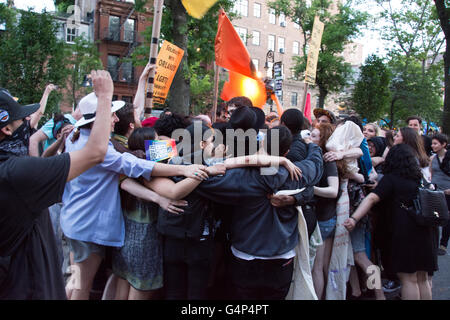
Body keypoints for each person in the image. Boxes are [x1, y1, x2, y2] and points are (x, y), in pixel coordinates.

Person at [61, 92, 208, 300]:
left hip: (73, 222)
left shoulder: (77, 136)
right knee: (82, 287)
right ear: (98, 120)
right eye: (111, 115)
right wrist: (185, 171)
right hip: (88, 227)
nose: (116, 119)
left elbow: (135, 143)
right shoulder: (101, 149)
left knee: (75, 281)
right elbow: (137, 165)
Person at [0, 70, 117, 299]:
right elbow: (96, 153)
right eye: (22, 119)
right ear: (6, 128)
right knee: (82, 283)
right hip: (29, 288)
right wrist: (105, 96)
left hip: (67, 233)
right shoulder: (15, 173)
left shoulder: (18, 169)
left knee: (76, 279)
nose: (28, 123)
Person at [192, 126, 323, 300]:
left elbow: (201, 181)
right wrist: (312, 145)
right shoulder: (298, 173)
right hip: (281, 257)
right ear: (287, 152)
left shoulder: (240, 176)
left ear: (262, 143)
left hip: (245, 256)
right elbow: (316, 164)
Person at [344, 144, 438, 300]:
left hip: (405, 232)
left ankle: (376, 294)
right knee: (422, 278)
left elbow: (372, 198)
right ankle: (375, 293)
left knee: (408, 279)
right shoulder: (419, 178)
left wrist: (354, 218)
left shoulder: (391, 179)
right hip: (427, 231)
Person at [309, 123, 339, 299]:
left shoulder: (328, 160)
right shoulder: (317, 157)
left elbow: (333, 190)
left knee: (316, 266)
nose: (309, 139)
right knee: (320, 265)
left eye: (314, 136)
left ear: (323, 140)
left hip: (323, 219)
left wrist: (310, 189)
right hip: (323, 218)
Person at [28, 84, 81, 157]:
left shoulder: (83, 125)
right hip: (52, 165)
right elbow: (33, 139)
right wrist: (37, 166)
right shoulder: (60, 121)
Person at [430, 134, 450, 256]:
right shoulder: (432, 158)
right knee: (435, 218)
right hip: (436, 192)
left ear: (443, 144)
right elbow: (431, 174)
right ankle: (433, 243)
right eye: (432, 143)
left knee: (447, 218)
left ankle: (443, 244)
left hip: (448, 192)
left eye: (435, 143)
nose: (433, 146)